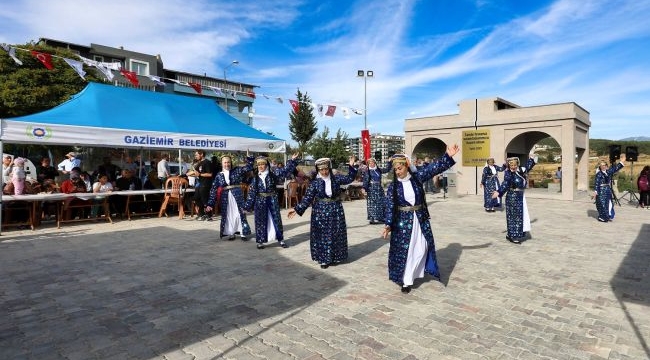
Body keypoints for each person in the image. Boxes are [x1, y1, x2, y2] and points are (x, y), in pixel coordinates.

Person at [381, 145, 460, 293]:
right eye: (396, 170)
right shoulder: (393, 187)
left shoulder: (417, 178)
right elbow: (390, 206)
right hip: (402, 224)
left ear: (407, 166)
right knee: (407, 250)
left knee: (422, 247)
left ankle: (416, 271)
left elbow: (434, 168)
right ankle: (406, 280)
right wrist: (387, 225)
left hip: (420, 219)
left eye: (400, 168)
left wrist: (447, 156)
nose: (398, 172)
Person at [288, 156, 358, 269]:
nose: (324, 172)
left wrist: (351, 166)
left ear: (329, 168)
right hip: (320, 211)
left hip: (336, 210)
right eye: (321, 170)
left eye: (326, 169)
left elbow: (350, 178)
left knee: (336, 233)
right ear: (318, 170)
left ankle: (335, 257)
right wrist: (296, 209)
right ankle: (324, 259)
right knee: (322, 235)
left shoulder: (336, 179)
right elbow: (307, 198)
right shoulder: (315, 183)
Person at [244, 153, 300, 249]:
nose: (261, 166)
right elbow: (252, 193)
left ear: (266, 165)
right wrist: (247, 206)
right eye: (259, 165)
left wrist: (292, 160)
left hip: (272, 200)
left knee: (276, 220)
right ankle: (261, 241)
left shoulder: (273, 174)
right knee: (260, 221)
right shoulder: (255, 178)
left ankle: (281, 239)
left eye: (263, 164)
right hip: (260, 201)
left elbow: (285, 171)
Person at [205, 154, 254, 240]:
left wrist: (250, 158)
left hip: (237, 194)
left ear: (231, 163)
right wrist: (210, 203)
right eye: (225, 162)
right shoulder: (219, 175)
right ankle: (231, 232)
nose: (227, 164)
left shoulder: (237, 170)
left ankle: (243, 233)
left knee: (240, 213)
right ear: (222, 163)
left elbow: (248, 168)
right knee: (228, 214)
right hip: (225, 196)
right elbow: (213, 189)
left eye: (228, 162)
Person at [491, 155, 536, 243]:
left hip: (520, 196)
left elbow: (528, 167)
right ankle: (512, 236)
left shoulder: (521, 170)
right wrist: (498, 192)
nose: (513, 167)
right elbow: (505, 184)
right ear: (509, 166)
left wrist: (532, 159)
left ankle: (517, 234)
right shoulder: (508, 174)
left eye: (515, 165)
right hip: (512, 197)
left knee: (520, 216)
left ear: (517, 164)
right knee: (513, 217)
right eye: (511, 165)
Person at [592, 155, 625, 222]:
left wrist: (621, 162)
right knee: (602, 204)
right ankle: (603, 217)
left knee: (609, 203)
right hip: (601, 191)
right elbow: (597, 183)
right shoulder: (599, 174)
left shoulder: (608, 172)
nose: (603, 166)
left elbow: (615, 168)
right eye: (601, 165)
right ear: (600, 167)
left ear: (606, 166)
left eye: (604, 165)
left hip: (607, 190)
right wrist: (595, 192)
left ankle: (609, 216)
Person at [362, 157, 390, 224]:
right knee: (372, 204)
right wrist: (364, 188)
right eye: (370, 163)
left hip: (379, 188)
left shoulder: (378, 170)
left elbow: (387, 169)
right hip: (371, 189)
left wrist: (389, 162)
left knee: (381, 202)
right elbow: (366, 180)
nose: (371, 164)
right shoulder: (368, 171)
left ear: (375, 163)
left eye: (372, 162)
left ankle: (381, 218)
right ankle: (372, 219)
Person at [191, 150, 213, 221]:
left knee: (205, 200)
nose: (195, 156)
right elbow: (195, 172)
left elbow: (210, 174)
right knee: (197, 198)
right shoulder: (199, 163)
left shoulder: (207, 162)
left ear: (202, 154)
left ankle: (209, 215)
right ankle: (201, 214)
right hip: (200, 184)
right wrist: (185, 174)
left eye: (197, 155)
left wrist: (200, 174)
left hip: (206, 184)